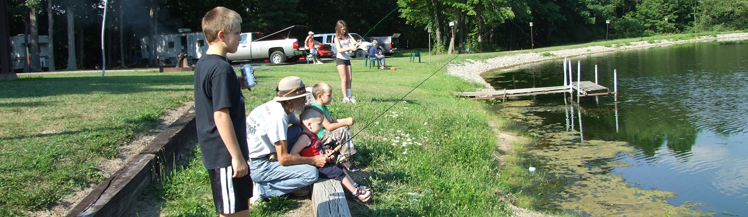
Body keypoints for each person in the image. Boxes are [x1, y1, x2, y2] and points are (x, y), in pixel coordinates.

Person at [193, 7, 252, 216]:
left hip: (224, 153)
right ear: (222, 35)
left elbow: (213, 92)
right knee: (231, 212)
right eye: (237, 33)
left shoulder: (207, 63)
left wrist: (237, 84)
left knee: (240, 208)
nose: (240, 38)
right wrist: (236, 157)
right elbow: (220, 114)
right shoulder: (220, 69)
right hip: (226, 155)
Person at [247, 76, 327, 204]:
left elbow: (301, 127)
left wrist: (318, 146)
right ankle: (262, 189)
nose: (306, 101)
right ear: (290, 100)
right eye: (302, 98)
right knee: (311, 174)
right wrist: (313, 160)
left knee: (297, 131)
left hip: (259, 154)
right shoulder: (278, 117)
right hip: (258, 165)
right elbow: (283, 158)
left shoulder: (280, 107)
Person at [290, 108, 372, 202]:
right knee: (338, 172)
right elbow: (293, 153)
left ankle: (354, 185)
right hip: (316, 167)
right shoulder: (304, 138)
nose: (322, 126)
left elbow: (319, 147)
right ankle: (355, 193)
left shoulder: (314, 135)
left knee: (340, 166)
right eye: (319, 124)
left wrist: (326, 151)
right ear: (309, 125)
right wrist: (309, 162)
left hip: (323, 163)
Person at [310, 82, 359, 171]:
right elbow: (329, 126)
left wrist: (345, 120)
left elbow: (332, 121)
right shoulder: (317, 109)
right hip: (320, 137)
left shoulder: (323, 107)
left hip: (326, 134)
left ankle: (344, 155)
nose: (331, 98)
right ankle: (345, 158)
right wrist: (345, 123)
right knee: (343, 130)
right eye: (329, 95)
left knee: (345, 127)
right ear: (320, 96)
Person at [333, 20, 363, 103]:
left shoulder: (349, 36)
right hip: (340, 59)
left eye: (345, 29)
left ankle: (349, 97)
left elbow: (354, 45)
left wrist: (358, 44)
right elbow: (339, 49)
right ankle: (345, 97)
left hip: (347, 59)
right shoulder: (336, 38)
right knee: (344, 78)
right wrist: (350, 48)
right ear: (338, 29)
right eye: (342, 29)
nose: (344, 31)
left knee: (350, 78)